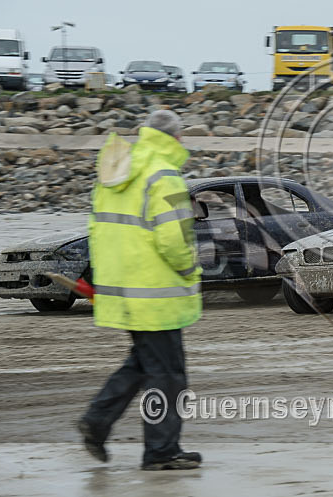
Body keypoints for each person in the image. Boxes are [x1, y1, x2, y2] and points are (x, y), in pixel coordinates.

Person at [78, 110, 203, 471]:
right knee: (167, 374)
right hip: (157, 292)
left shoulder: (116, 171)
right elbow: (174, 239)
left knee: (143, 363)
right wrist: (190, 270)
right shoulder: (165, 175)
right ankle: (161, 451)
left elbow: (97, 231)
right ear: (175, 139)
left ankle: (98, 421)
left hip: (124, 289)